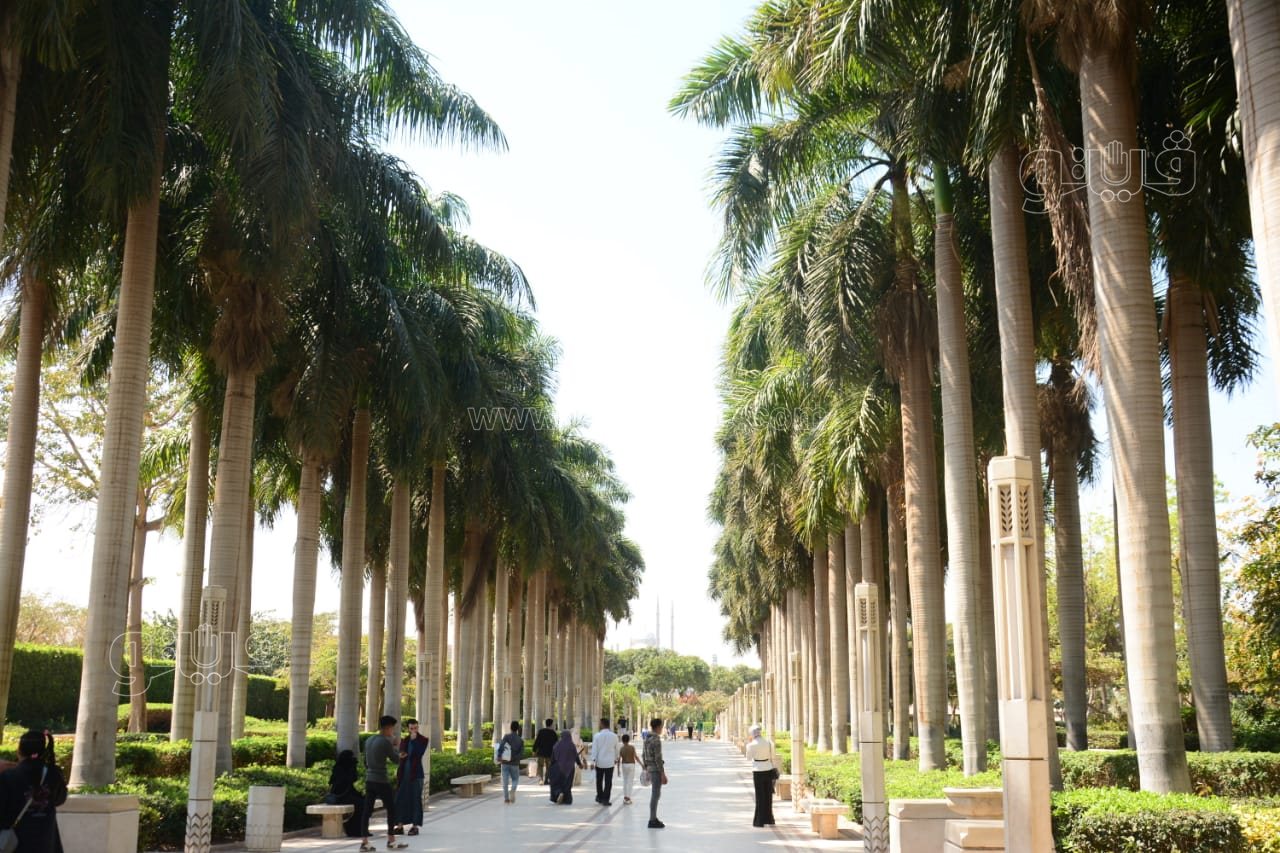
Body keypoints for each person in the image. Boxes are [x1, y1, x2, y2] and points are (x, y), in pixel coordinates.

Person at [0, 730, 66, 853]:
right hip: (47, 841)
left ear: (19, 751)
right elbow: (59, 800)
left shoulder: (9, 776)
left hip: (15, 843)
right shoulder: (54, 774)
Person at [362, 715, 406, 851]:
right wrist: (397, 747)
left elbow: (365, 761)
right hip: (381, 780)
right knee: (391, 809)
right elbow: (396, 759)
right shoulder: (385, 742)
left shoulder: (369, 740)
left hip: (369, 779)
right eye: (392, 728)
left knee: (367, 811)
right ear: (388, 728)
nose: (393, 731)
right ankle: (391, 840)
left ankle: (364, 842)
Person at [394, 719, 429, 835]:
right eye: (412, 728)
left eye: (416, 728)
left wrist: (414, 741)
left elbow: (419, 753)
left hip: (416, 774)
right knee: (400, 799)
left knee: (415, 799)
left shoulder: (423, 740)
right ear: (408, 729)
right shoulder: (405, 740)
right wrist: (401, 755)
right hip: (404, 774)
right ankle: (399, 826)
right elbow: (401, 753)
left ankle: (415, 826)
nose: (414, 730)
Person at [744, 724, 778, 827]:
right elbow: (773, 756)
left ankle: (760, 820)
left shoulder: (751, 745)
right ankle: (769, 818)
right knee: (768, 795)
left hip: (757, 770)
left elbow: (748, 758)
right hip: (768, 769)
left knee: (760, 796)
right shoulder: (769, 742)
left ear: (752, 734)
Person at [327, 750, 365, 838]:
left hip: (347, 794)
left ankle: (360, 828)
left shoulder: (348, 766)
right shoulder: (339, 768)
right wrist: (352, 768)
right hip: (340, 796)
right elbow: (343, 783)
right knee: (361, 804)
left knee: (365, 802)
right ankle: (353, 828)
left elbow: (353, 780)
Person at [642, 718, 667, 829]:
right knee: (655, 794)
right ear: (658, 727)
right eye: (661, 726)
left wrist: (646, 767)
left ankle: (653, 817)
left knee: (655, 794)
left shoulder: (646, 738)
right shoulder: (656, 739)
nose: (662, 729)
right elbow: (658, 758)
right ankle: (652, 819)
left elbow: (643, 754)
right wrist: (662, 773)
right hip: (656, 770)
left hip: (650, 768)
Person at [589, 717, 619, 806]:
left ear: (602, 724)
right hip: (610, 762)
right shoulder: (614, 736)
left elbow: (594, 749)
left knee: (599, 781)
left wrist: (593, 761)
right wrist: (616, 759)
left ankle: (599, 797)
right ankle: (606, 799)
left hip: (599, 762)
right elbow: (617, 749)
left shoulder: (597, 736)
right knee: (608, 782)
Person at [549, 730, 583, 805]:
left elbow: (553, 758)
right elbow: (576, 756)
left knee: (556, 783)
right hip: (569, 769)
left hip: (558, 767)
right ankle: (567, 799)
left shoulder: (557, 745)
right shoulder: (572, 745)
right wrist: (580, 764)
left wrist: (551, 767)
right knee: (567, 784)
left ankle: (559, 793)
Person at [497, 721, 525, 804]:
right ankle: (513, 789)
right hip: (515, 763)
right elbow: (521, 753)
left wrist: (499, 755)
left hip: (505, 762)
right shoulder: (520, 740)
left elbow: (501, 746)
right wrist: (515, 758)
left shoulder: (506, 736)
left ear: (510, 728)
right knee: (515, 779)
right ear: (518, 729)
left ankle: (506, 799)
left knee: (505, 781)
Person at [533, 719, 558, 784]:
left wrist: (534, 750)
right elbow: (556, 744)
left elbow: (537, 741)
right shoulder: (553, 733)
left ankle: (540, 779)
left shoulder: (541, 731)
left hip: (541, 752)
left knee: (540, 766)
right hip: (550, 753)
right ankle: (546, 780)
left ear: (546, 724)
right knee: (549, 767)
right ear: (551, 724)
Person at [618, 733, 639, 805]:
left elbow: (619, 759)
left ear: (622, 740)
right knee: (630, 782)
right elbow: (636, 757)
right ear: (629, 740)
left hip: (624, 765)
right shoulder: (632, 747)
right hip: (631, 765)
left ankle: (625, 797)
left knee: (625, 781)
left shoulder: (621, 748)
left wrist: (618, 770)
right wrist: (642, 764)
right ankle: (628, 798)